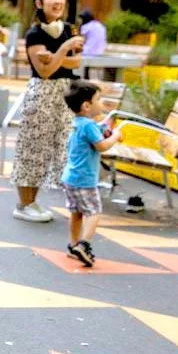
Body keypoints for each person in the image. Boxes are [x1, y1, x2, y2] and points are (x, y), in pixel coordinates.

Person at [10, 0, 85, 222]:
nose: (58, 1)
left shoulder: (70, 29)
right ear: (39, 3)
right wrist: (63, 50)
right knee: (33, 148)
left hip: (65, 94)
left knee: (56, 147)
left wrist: (54, 57)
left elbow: (76, 62)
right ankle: (24, 204)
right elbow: (44, 72)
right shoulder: (34, 33)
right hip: (42, 94)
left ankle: (33, 202)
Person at [61, 81, 123, 267]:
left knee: (76, 213)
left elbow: (92, 136)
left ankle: (73, 246)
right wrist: (115, 136)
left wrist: (103, 129)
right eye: (98, 99)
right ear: (87, 106)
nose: (101, 102)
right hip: (84, 179)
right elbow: (102, 146)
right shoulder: (89, 125)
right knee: (93, 212)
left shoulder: (78, 123)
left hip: (71, 178)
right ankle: (84, 245)